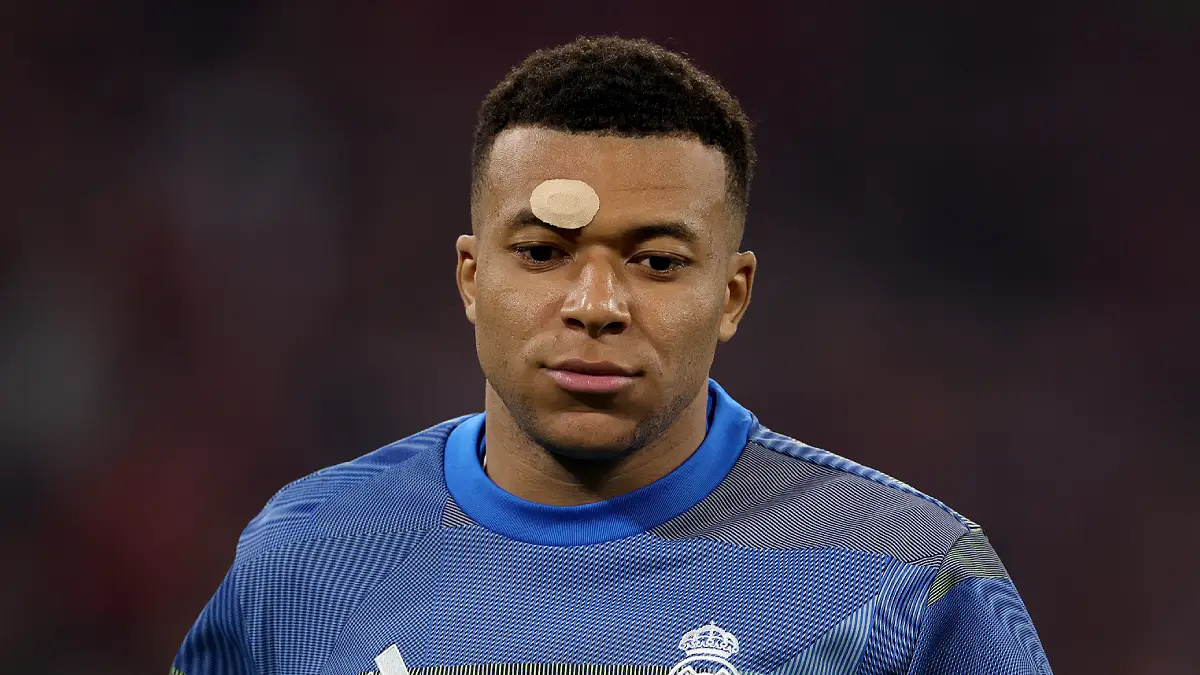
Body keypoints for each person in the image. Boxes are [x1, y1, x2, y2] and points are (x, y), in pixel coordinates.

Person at [173, 36, 1052, 675]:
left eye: (657, 262)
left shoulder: (905, 582)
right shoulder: (308, 554)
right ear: (472, 277)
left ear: (733, 295)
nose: (595, 306)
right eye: (544, 254)